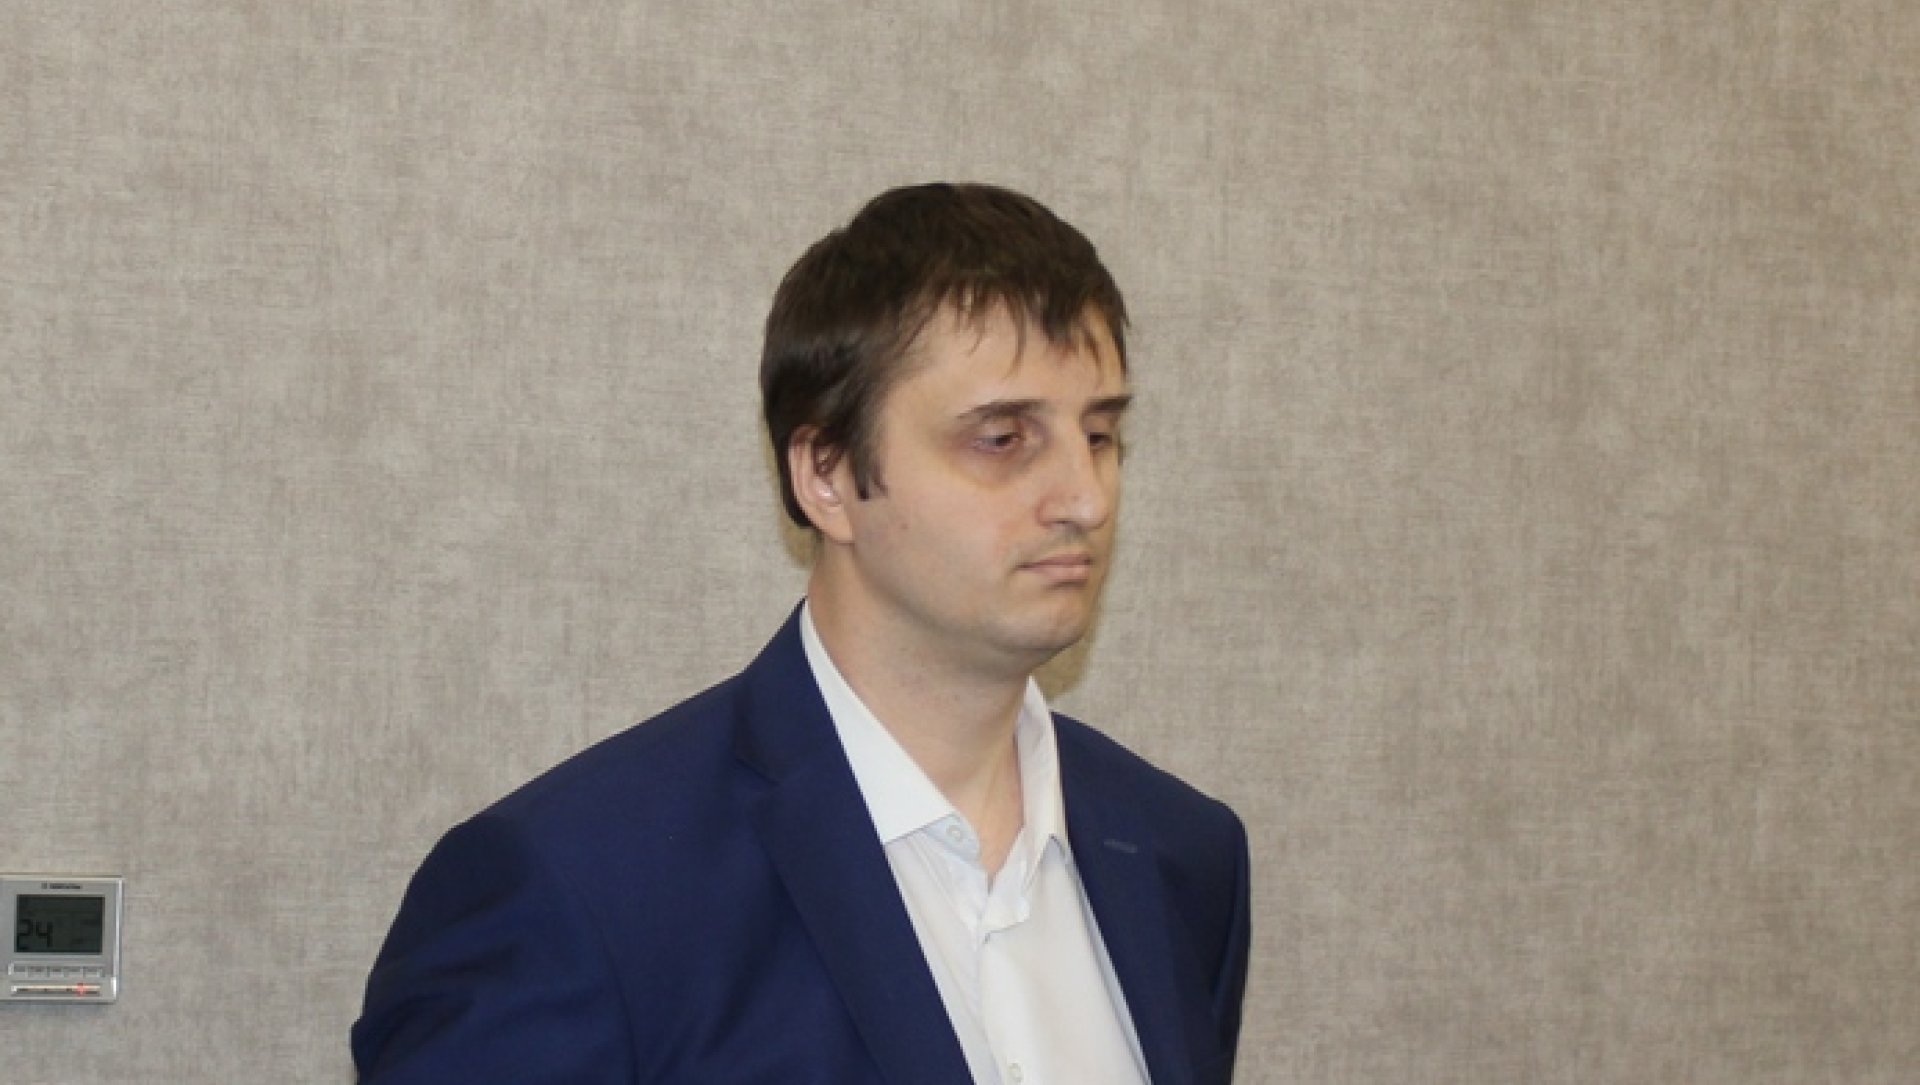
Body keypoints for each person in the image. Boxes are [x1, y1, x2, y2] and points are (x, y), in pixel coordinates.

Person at [351, 183, 1250, 1084]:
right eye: (1003, 439)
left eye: (1099, 435)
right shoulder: (579, 893)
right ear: (826, 475)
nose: (1085, 499)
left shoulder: (1182, 857)